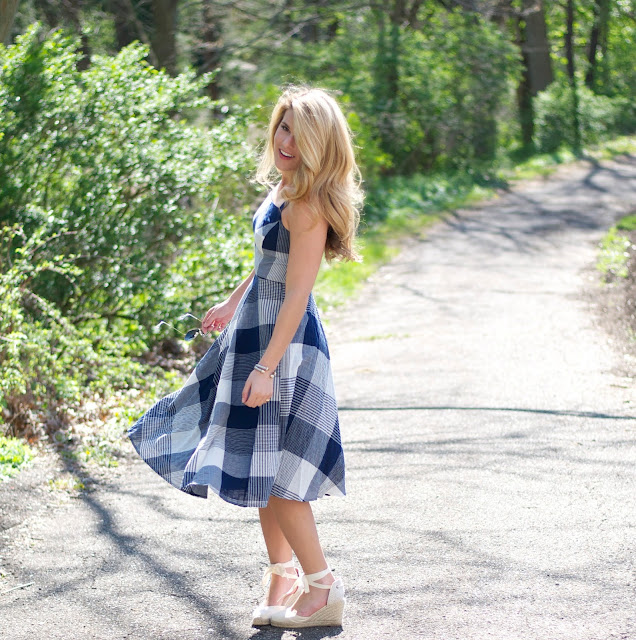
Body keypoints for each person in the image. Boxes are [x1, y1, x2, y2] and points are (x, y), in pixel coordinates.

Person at [127, 85, 363, 629]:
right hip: (256, 331)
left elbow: (297, 294)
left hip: (283, 347)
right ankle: (282, 575)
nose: (285, 140)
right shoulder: (283, 190)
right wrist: (232, 304)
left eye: (299, 135)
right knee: (258, 466)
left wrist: (265, 367)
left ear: (320, 146)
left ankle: (322, 587)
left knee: (280, 478)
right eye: (282, 127)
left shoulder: (306, 206)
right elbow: (267, 265)